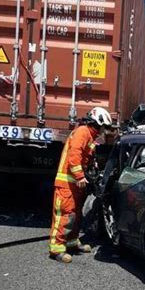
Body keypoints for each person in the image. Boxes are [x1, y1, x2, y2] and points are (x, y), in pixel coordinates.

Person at [49, 107, 113, 263]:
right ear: (97, 123)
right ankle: (56, 248)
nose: (103, 131)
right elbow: (74, 155)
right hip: (67, 184)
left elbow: (87, 158)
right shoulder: (83, 132)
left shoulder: (90, 136)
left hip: (76, 185)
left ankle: (71, 243)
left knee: (75, 215)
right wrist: (79, 175)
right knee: (65, 215)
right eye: (103, 127)